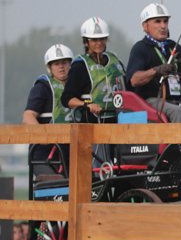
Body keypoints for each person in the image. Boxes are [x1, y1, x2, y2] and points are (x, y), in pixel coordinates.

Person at [61, 17, 127, 123]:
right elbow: (67, 99)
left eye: (102, 39)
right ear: (86, 42)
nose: (99, 43)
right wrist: (87, 105)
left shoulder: (115, 60)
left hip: (118, 119)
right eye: (94, 40)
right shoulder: (80, 65)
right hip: (91, 121)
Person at [23, 44, 74, 176]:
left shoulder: (77, 87)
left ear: (70, 64)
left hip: (71, 154)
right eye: (56, 64)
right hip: (44, 155)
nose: (61, 67)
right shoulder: (42, 87)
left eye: (64, 62)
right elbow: (28, 116)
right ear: (50, 67)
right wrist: (45, 136)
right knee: (56, 185)